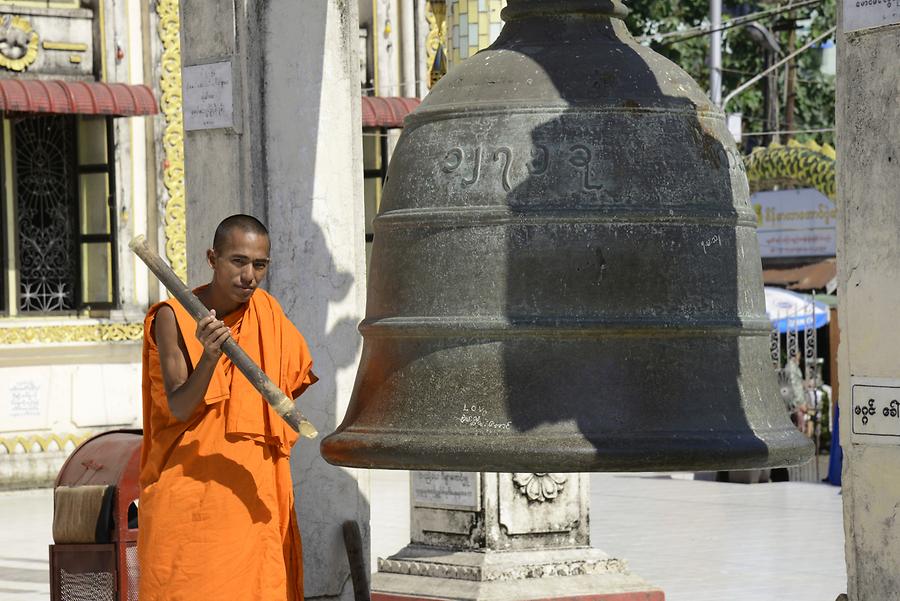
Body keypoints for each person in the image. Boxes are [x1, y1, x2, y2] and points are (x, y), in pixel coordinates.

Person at [137, 215, 317, 601]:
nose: (249, 275)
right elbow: (181, 406)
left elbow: (287, 386)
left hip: (252, 495)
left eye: (260, 265)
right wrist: (209, 356)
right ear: (212, 258)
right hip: (192, 498)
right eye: (238, 261)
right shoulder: (173, 316)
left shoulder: (267, 313)